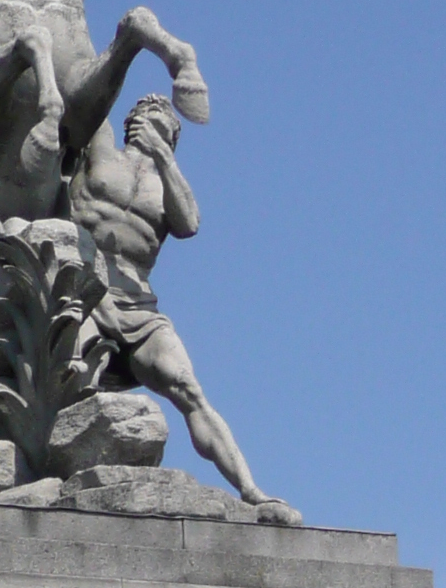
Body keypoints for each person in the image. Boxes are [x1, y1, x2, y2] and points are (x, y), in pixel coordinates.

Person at [66, 94, 286, 513]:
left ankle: (251, 490)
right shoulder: (100, 148)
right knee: (74, 375)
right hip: (82, 291)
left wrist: (164, 157)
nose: (150, 122)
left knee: (189, 388)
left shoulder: (165, 187)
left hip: (139, 307)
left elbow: (189, 225)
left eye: (163, 122)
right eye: (145, 115)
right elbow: (83, 99)